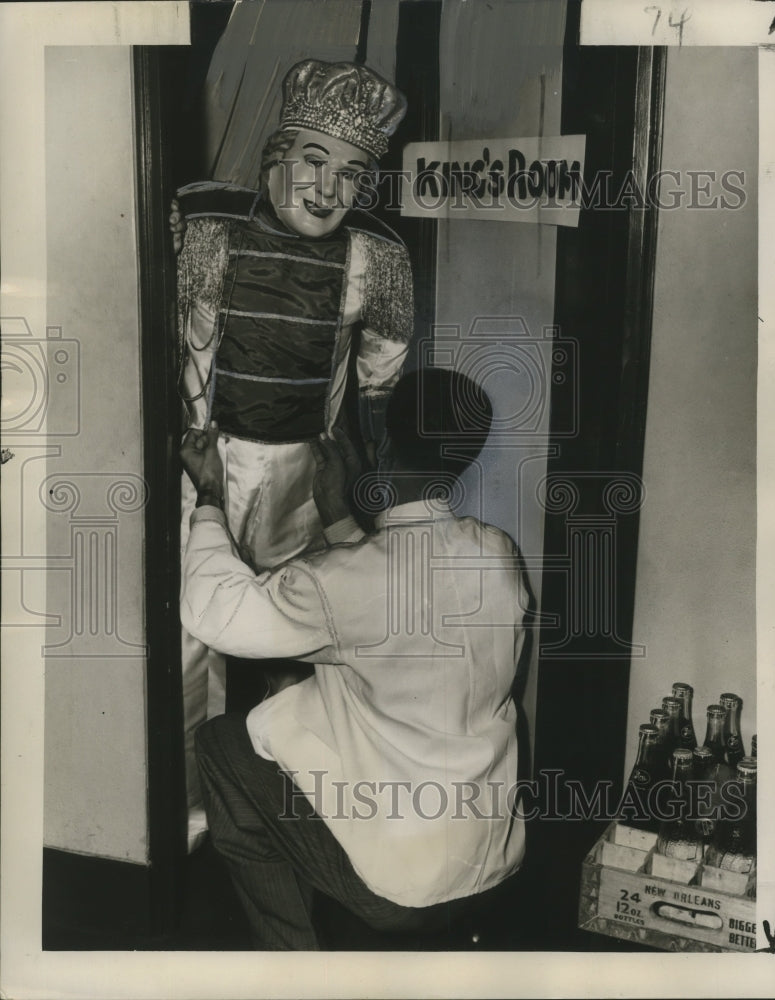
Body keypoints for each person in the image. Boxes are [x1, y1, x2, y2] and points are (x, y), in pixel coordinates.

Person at [180, 367, 528, 949]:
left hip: (403, 888)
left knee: (221, 744)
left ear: (386, 447)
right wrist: (342, 516)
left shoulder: (346, 580)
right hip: (491, 862)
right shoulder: (498, 555)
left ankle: (298, 969)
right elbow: (391, 596)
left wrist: (211, 496)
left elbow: (214, 613)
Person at [173, 60, 414, 839]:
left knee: (307, 640)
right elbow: (174, 351)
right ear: (276, 155)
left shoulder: (375, 259)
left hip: (307, 478)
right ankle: (190, 810)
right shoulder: (207, 232)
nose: (327, 188)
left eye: (352, 173)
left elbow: (378, 381)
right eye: (312, 160)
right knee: (195, 640)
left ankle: (303, 806)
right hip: (206, 468)